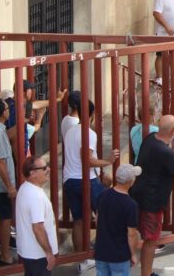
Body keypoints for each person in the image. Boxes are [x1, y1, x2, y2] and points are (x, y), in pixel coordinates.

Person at [130, 116, 174, 276]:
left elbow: (171, 156)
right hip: (151, 202)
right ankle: (146, 274)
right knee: (151, 241)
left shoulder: (150, 140)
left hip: (138, 195)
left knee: (136, 234)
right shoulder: (163, 151)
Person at [62, 98, 119, 259]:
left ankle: (81, 256)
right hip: (86, 180)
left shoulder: (71, 131)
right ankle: (103, 248)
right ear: (93, 114)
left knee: (79, 220)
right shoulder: (89, 134)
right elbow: (87, 160)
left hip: (69, 180)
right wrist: (108, 161)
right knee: (104, 212)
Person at [95, 164, 143, 276]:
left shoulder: (103, 195)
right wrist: (133, 254)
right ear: (130, 181)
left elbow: (97, 219)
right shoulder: (131, 205)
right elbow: (131, 234)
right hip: (119, 255)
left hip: (101, 251)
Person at [16, 156, 58, 276]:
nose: (48, 169)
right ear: (32, 173)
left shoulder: (25, 188)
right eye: (44, 168)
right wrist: (49, 253)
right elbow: (38, 227)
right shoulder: (35, 196)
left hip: (29, 253)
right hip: (38, 255)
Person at [0, 98, 16, 265]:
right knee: (5, 219)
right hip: (0, 185)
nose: (9, 111)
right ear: (2, 112)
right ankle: (6, 255)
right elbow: (0, 161)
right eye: (7, 108)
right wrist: (9, 186)